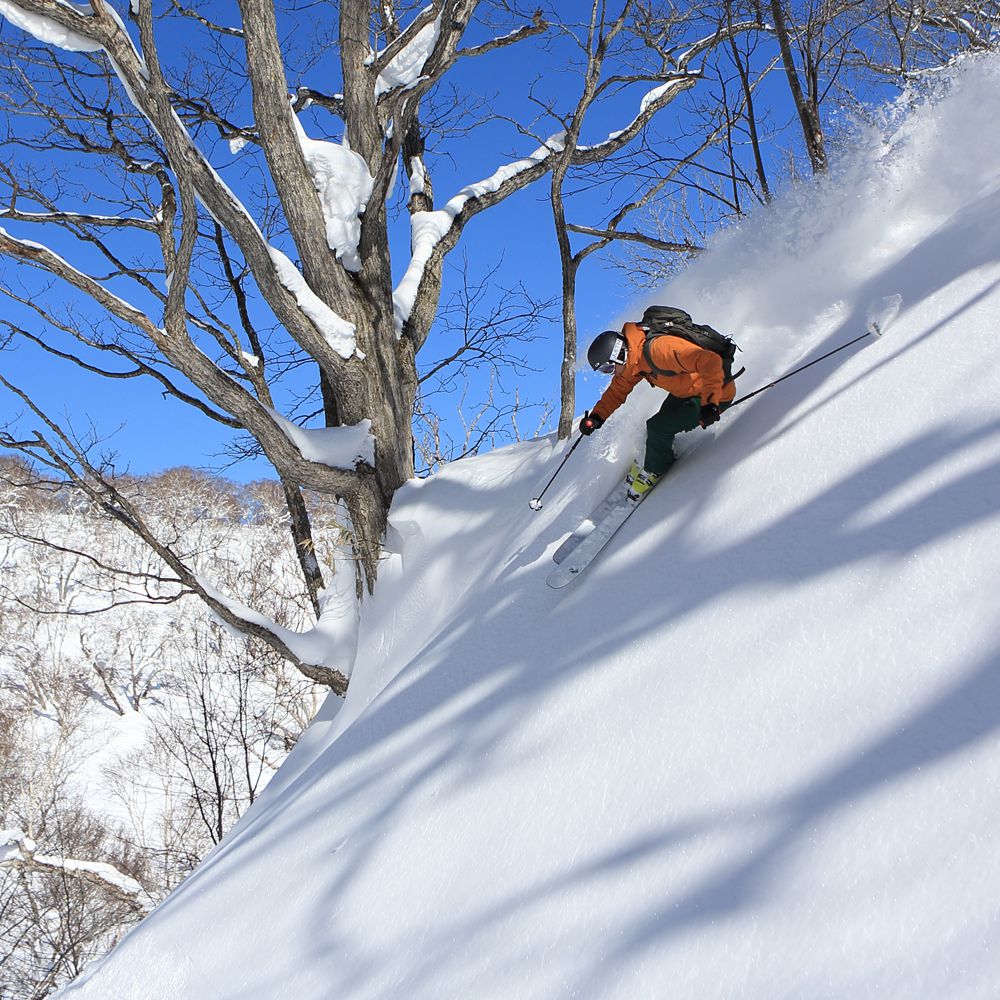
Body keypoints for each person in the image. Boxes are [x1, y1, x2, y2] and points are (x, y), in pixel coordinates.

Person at [579, 315, 736, 499]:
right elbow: (616, 391)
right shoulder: (633, 361)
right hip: (687, 392)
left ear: (618, 355)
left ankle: (655, 468)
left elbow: (710, 361)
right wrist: (596, 417)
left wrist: (710, 403)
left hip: (715, 394)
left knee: (657, 427)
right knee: (659, 422)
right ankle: (656, 453)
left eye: (607, 369)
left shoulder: (659, 350)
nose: (608, 374)